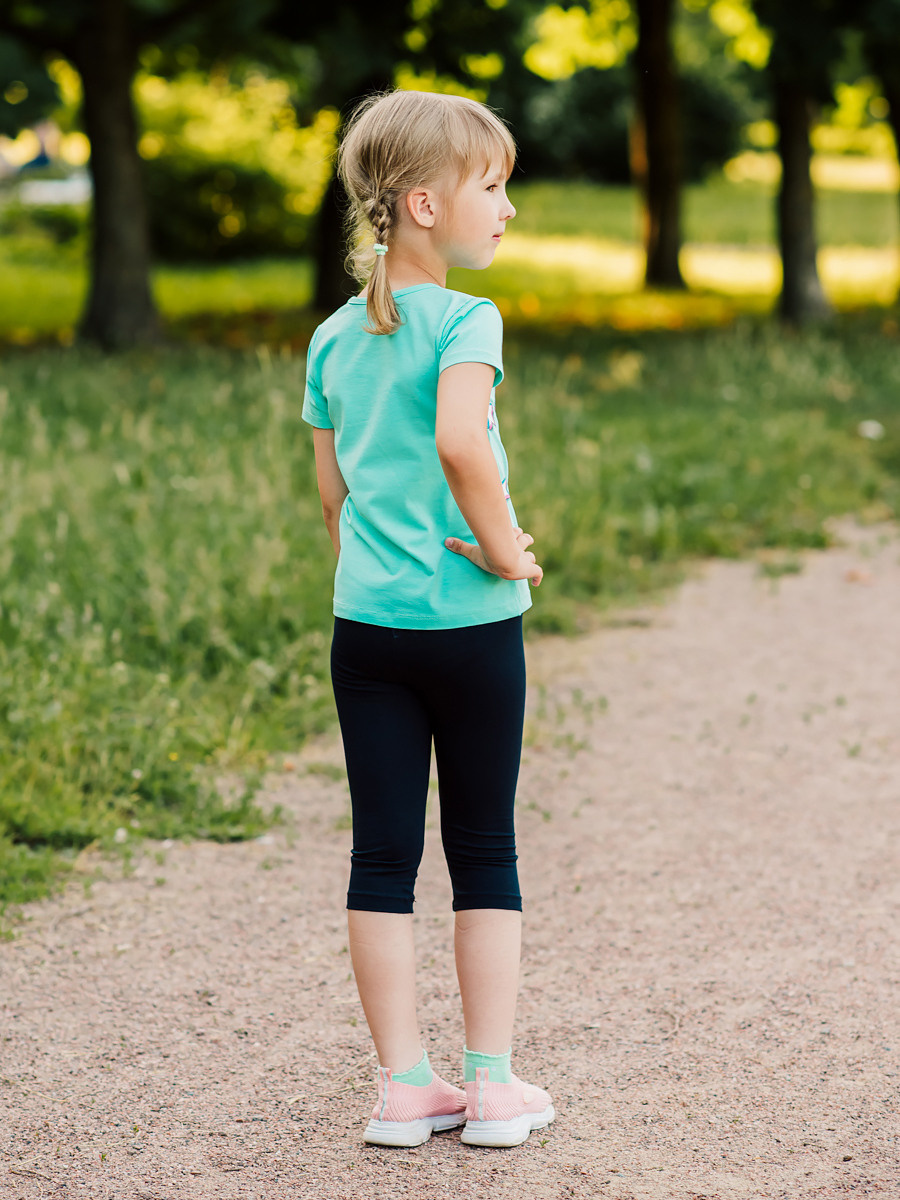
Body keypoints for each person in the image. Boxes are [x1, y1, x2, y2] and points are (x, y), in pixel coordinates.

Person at [302, 89, 554, 1150]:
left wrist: (373, 578)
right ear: (420, 204)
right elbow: (460, 442)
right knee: (485, 846)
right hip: (469, 624)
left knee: (382, 857)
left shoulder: (330, 338)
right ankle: (491, 1088)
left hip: (367, 630)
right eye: (490, 187)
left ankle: (405, 1086)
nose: (505, 207)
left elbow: (332, 496)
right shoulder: (466, 319)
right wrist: (507, 553)